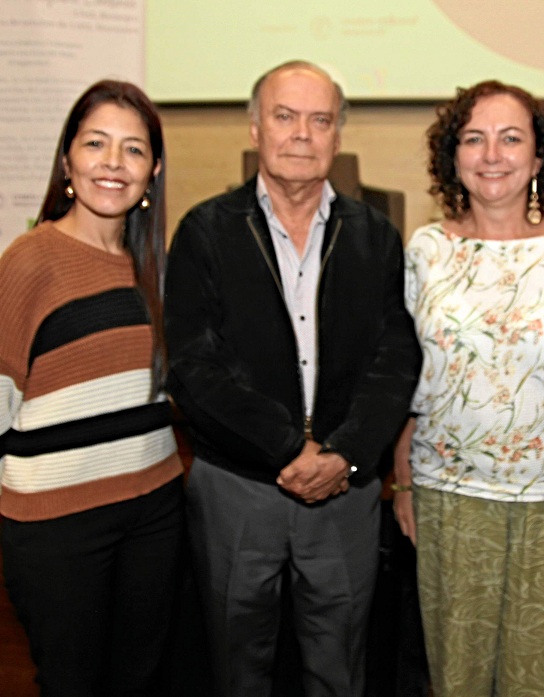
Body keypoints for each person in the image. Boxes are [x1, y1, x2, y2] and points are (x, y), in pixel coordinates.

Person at [164, 60, 422, 697]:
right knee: (235, 666)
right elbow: (195, 368)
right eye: (285, 116)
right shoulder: (204, 231)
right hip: (238, 489)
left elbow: (396, 361)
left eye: (320, 120)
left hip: (345, 492)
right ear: (255, 128)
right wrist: (286, 447)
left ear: (337, 137)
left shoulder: (377, 237)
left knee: (340, 668)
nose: (302, 134)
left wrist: (345, 454)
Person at [0, 80, 184, 695]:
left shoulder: (152, 265)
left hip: (154, 510)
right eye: (96, 144)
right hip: (58, 526)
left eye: (134, 150)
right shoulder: (31, 259)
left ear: (153, 172)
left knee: (142, 680)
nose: (114, 163)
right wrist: (25, 496)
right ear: (67, 161)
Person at [392, 80, 544, 697]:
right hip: (449, 495)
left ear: (539, 158)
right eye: (474, 138)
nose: (492, 154)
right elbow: (409, 375)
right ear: (453, 157)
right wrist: (403, 480)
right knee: (456, 678)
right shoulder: (427, 250)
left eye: (511, 138)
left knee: (540, 681)